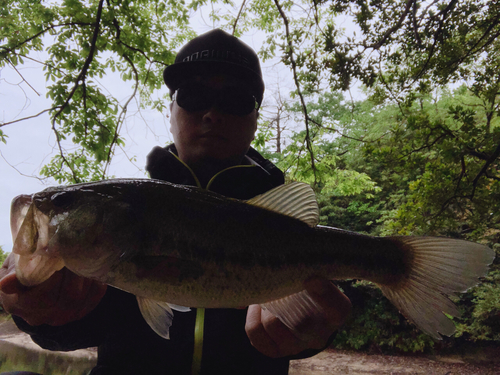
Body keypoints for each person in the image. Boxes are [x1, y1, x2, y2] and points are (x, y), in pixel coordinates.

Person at [0, 29, 351, 375]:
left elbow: (312, 314)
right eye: (193, 96)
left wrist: (313, 332)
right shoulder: (120, 224)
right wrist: (38, 313)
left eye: (235, 100)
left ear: (255, 119)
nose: (212, 113)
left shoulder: (280, 224)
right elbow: (74, 330)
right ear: (171, 113)